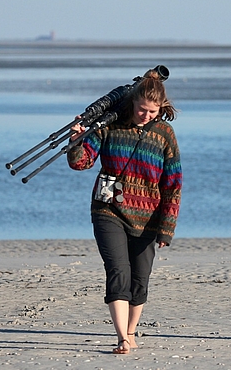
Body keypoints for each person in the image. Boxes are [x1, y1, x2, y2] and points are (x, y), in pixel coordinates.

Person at [67, 68, 182, 354]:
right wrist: (75, 141)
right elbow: (81, 162)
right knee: (118, 271)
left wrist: (167, 227)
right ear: (133, 102)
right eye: (142, 109)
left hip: (148, 217)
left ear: (161, 109)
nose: (146, 115)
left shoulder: (165, 133)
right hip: (108, 209)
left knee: (140, 279)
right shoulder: (109, 125)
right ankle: (121, 337)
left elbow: (173, 183)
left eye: (152, 112)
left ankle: (131, 331)